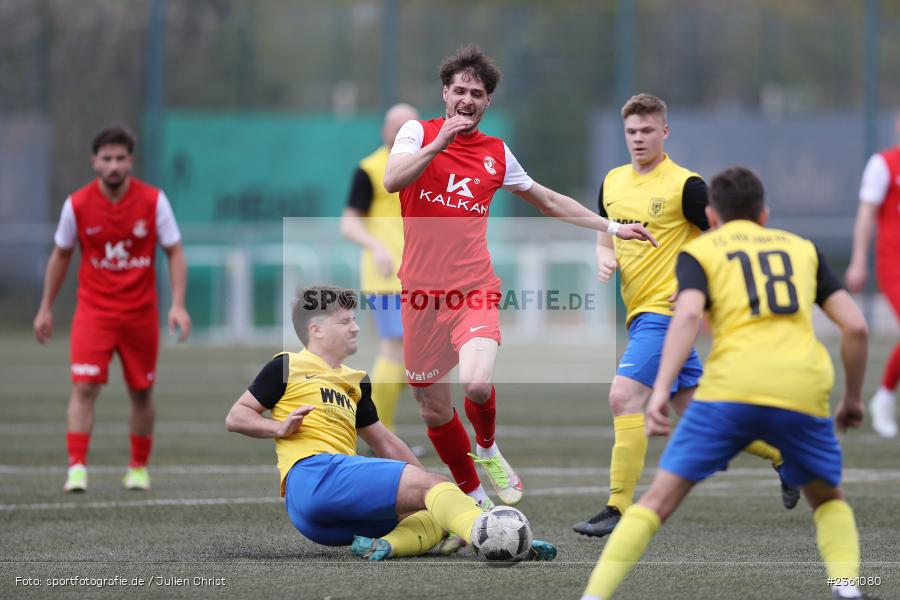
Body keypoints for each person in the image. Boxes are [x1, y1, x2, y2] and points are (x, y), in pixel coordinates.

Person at [383, 45, 657, 509]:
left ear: (488, 101)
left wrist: (612, 228)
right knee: (432, 408)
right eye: (460, 90)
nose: (467, 99)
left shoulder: (495, 153)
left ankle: (488, 447)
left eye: (477, 93)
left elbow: (547, 200)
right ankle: (476, 501)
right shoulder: (417, 132)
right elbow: (393, 180)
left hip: (474, 290)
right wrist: (438, 145)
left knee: (476, 384)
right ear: (445, 93)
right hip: (421, 297)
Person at [581, 166, 873, 600]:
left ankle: (594, 594)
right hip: (802, 389)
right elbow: (857, 328)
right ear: (764, 214)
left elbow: (687, 315)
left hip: (731, 389)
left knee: (656, 503)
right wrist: (851, 399)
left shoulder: (700, 252)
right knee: (829, 500)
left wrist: (659, 392)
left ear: (712, 216)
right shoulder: (804, 249)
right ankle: (847, 587)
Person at [573, 94, 796, 538]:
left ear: (665, 132)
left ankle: (617, 507)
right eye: (631, 132)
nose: (638, 139)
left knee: (623, 397)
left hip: (667, 313)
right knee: (696, 412)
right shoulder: (612, 181)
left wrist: (696, 280)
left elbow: (731, 234)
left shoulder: (686, 186)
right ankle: (783, 454)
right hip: (640, 314)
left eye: (647, 131)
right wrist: (604, 254)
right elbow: (605, 231)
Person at [224, 285, 557, 562]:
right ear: (317, 330)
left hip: (320, 519)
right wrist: (277, 428)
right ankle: (490, 533)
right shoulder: (288, 365)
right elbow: (237, 416)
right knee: (436, 491)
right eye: (345, 321)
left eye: (354, 320)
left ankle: (386, 546)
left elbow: (385, 442)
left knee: (435, 513)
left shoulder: (355, 381)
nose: (355, 328)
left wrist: (430, 488)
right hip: (314, 475)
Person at [33, 125, 191, 493]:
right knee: (84, 386)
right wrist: (45, 307)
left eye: (121, 158)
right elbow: (61, 255)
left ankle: (138, 468)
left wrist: (178, 304)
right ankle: (76, 468)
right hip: (95, 312)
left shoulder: (154, 201)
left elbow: (174, 251)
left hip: (140, 314)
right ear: (94, 162)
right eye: (107, 158)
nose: (114, 165)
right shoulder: (77, 204)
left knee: (141, 392)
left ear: (130, 161)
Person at [340, 103, 420, 446]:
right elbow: (348, 223)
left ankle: (377, 430)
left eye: (410, 127)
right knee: (395, 349)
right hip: (388, 277)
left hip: (422, 274)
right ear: (384, 130)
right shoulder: (370, 169)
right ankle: (382, 437)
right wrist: (377, 247)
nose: (402, 133)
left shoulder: (424, 166)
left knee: (417, 357)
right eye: (397, 127)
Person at [845, 110, 900, 439]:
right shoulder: (884, 164)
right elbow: (866, 214)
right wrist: (858, 261)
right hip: (894, 263)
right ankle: (884, 397)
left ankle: (885, 396)